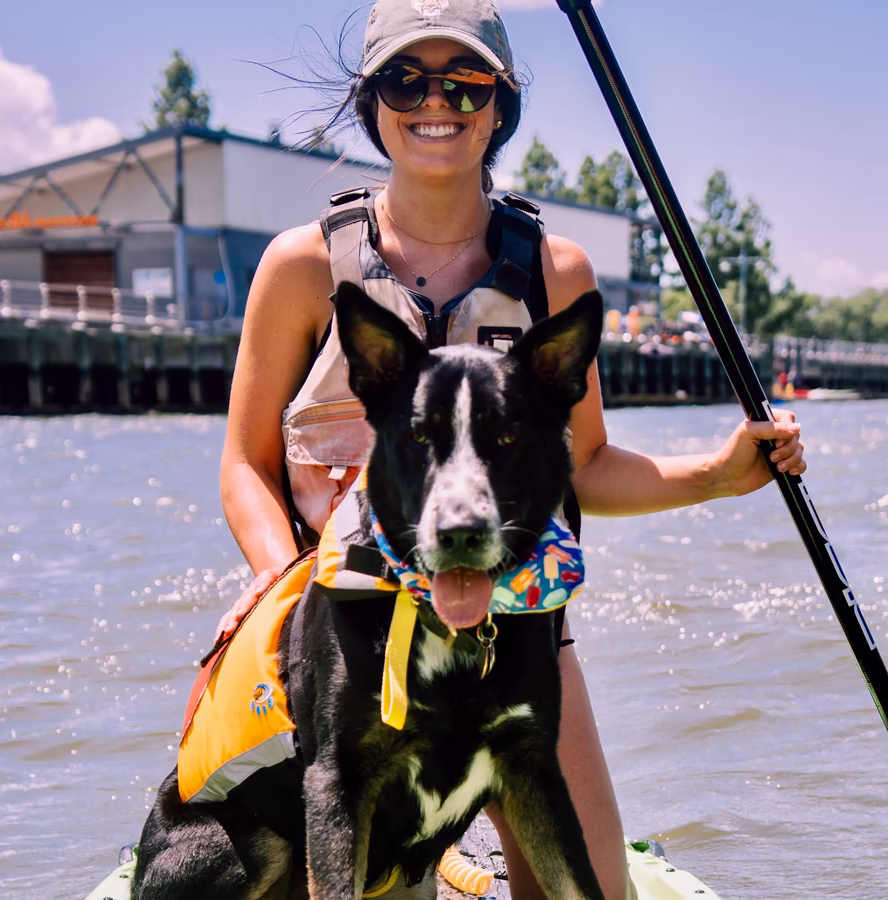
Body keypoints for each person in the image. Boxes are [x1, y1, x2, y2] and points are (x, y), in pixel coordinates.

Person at [218, 1, 806, 898]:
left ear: (501, 104)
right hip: (350, 637)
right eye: (406, 80)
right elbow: (247, 467)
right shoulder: (302, 267)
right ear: (373, 100)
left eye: (465, 80)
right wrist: (279, 582)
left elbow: (588, 464)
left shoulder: (554, 269)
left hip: (519, 633)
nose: (435, 101)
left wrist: (719, 478)